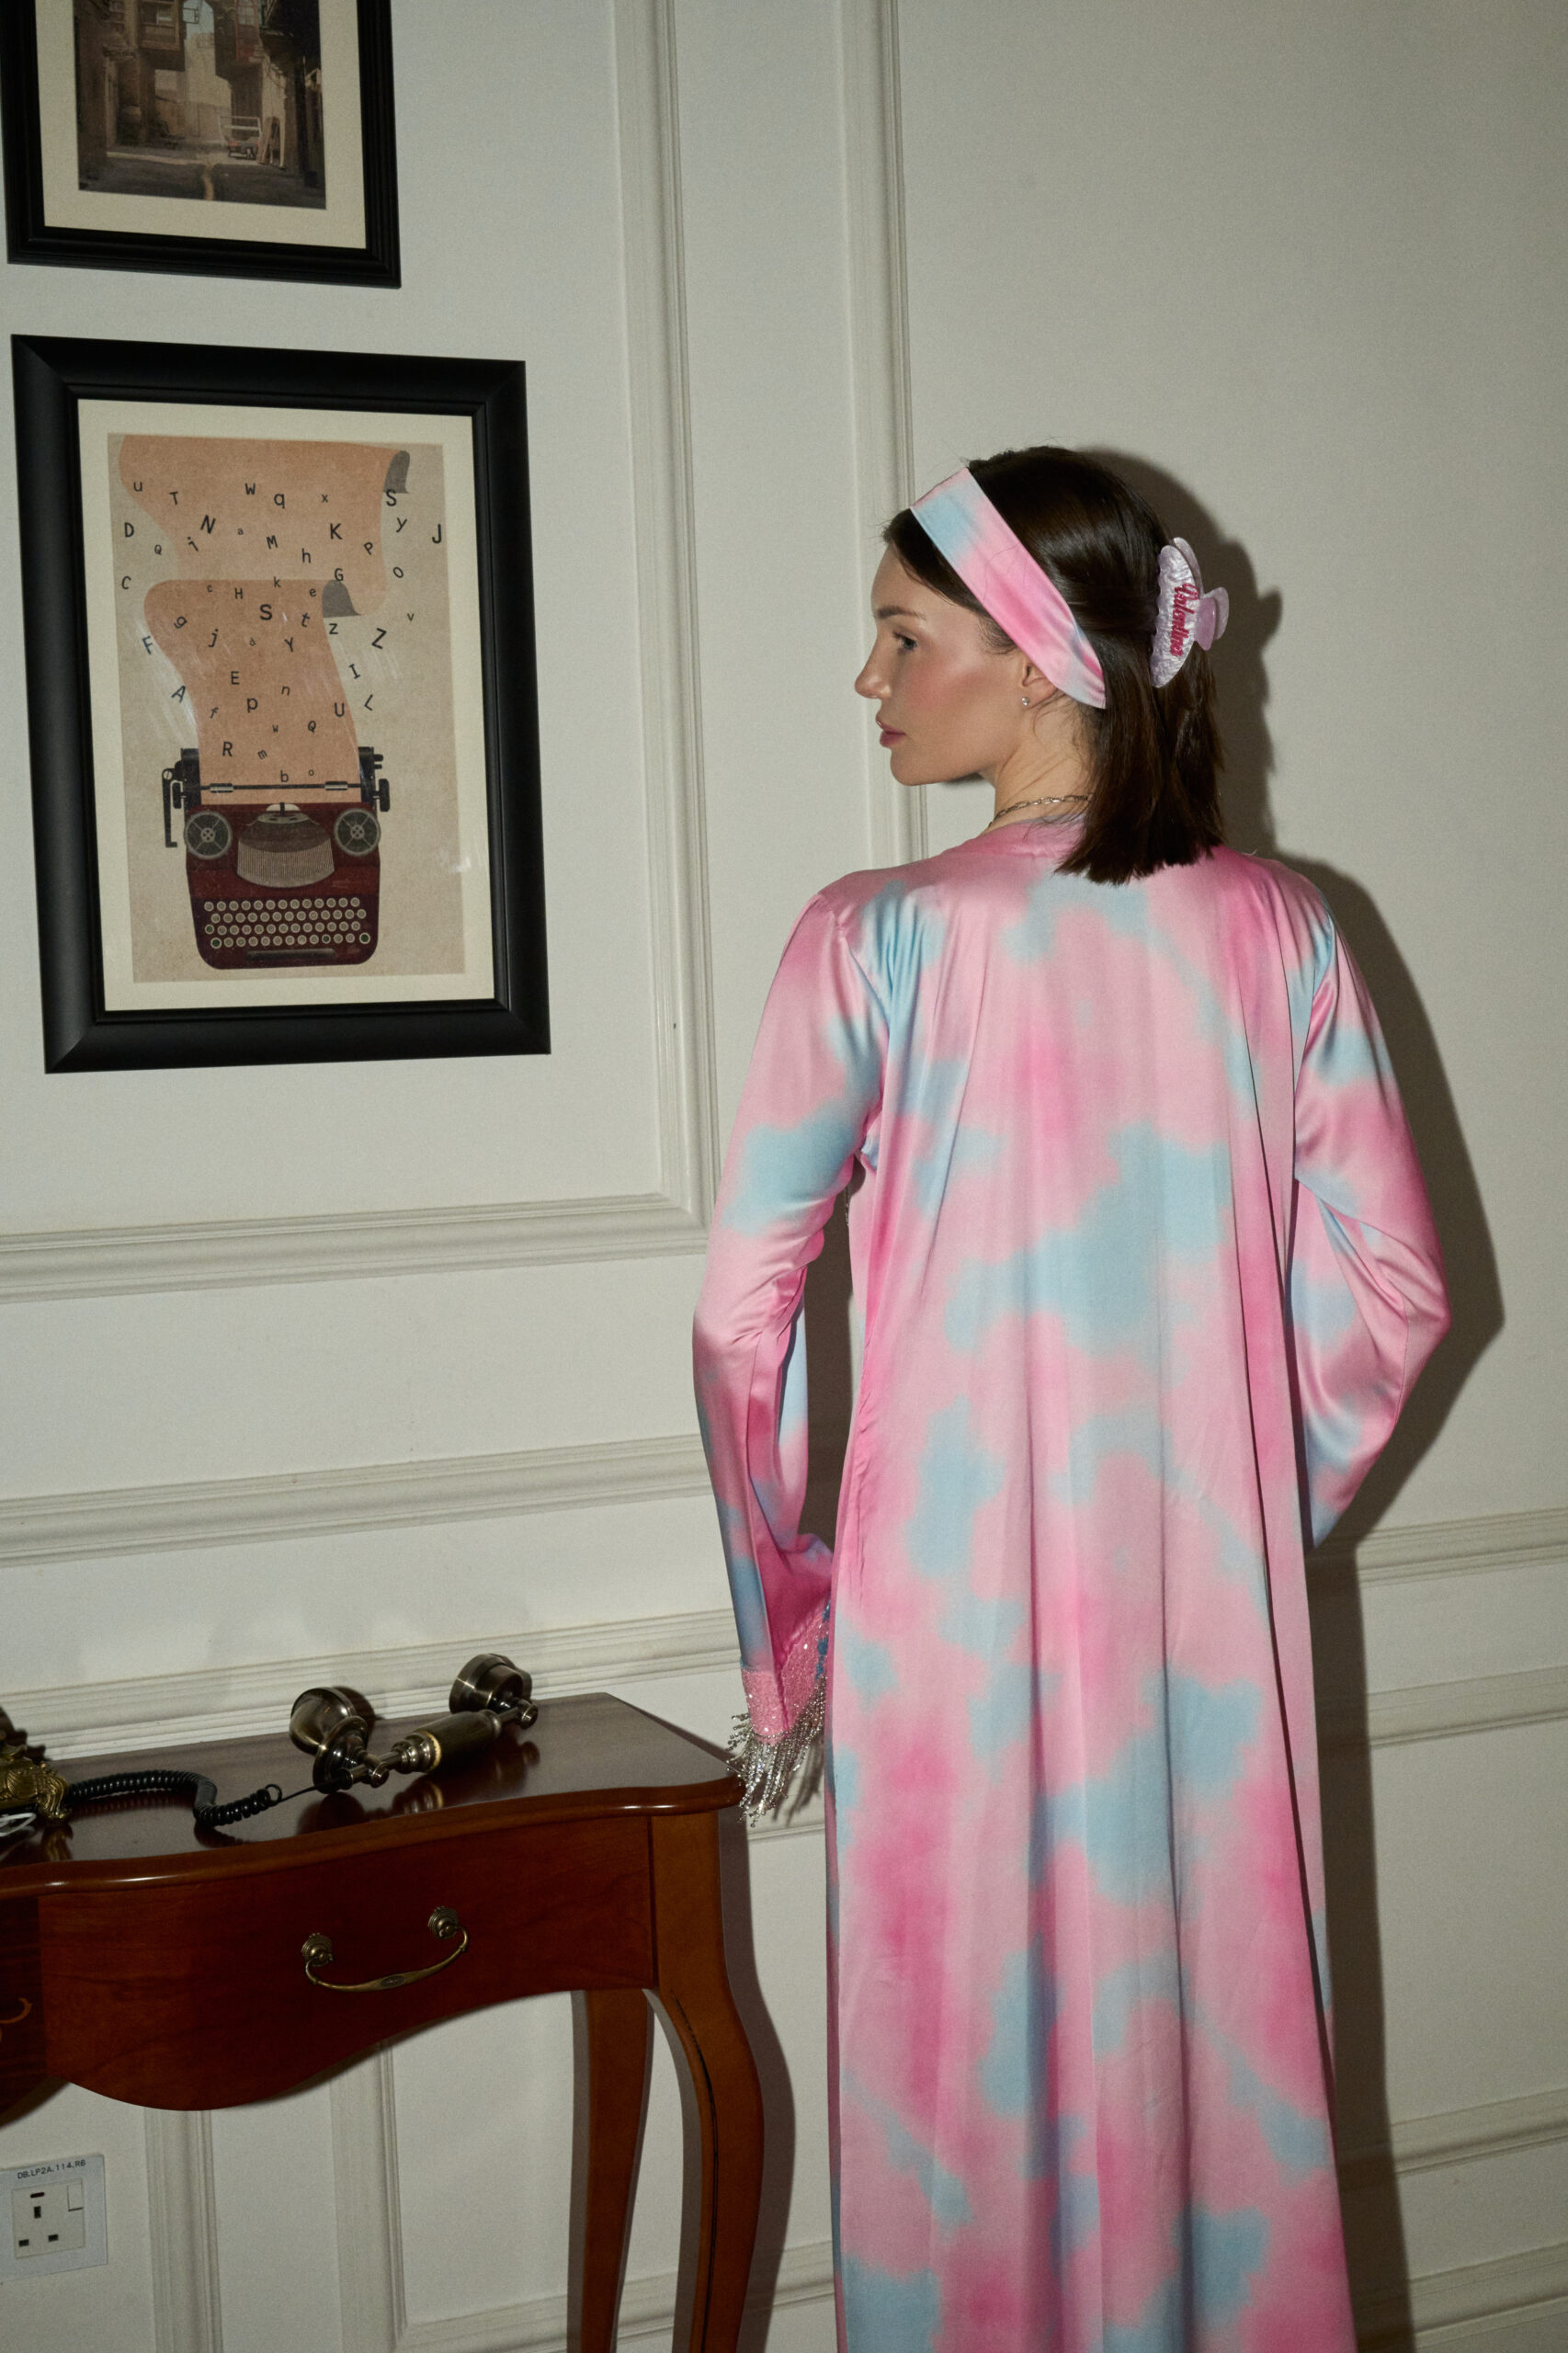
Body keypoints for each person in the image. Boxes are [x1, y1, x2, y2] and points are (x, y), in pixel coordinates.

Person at [692, 446, 1449, 2350]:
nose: (866, 677)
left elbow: (738, 1322)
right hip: (1204, 1649)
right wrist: (1241, 1514)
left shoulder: (874, 937)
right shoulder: (1282, 928)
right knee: (1208, 2089)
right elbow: (1395, 1295)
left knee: (961, 2094)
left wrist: (794, 1611)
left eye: (901, 635)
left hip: (948, 1636)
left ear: (1038, 657)